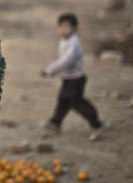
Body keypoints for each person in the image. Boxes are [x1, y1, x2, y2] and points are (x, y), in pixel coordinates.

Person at [40, 12, 104, 141]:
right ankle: (55, 123)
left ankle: (96, 124)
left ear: (75, 29)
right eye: (61, 27)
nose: (63, 30)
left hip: (76, 79)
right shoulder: (64, 40)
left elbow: (66, 60)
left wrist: (50, 70)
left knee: (77, 102)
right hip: (68, 78)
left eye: (67, 27)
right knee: (63, 100)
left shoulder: (74, 43)